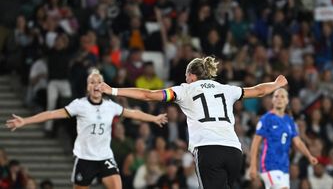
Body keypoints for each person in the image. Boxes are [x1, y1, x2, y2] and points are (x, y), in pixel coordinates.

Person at [97, 56, 288, 189]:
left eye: (186, 76)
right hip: (234, 153)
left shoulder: (185, 90)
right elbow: (258, 91)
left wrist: (113, 90)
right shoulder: (227, 89)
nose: (185, 79)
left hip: (208, 150)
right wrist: (276, 84)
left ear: (192, 76)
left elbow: (148, 95)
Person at [6, 69, 167, 189]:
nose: (96, 85)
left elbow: (133, 113)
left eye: (99, 82)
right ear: (87, 87)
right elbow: (52, 114)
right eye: (92, 82)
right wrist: (25, 121)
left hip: (105, 157)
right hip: (85, 159)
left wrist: (154, 118)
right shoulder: (79, 105)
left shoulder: (110, 106)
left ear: (103, 86)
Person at [249, 88, 318, 189]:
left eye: (282, 96)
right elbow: (255, 143)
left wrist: (309, 156)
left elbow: (298, 142)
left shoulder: (289, 120)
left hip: (284, 167)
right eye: (276, 96)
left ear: (287, 101)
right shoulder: (266, 119)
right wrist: (253, 165)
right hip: (269, 165)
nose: (279, 99)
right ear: (272, 100)